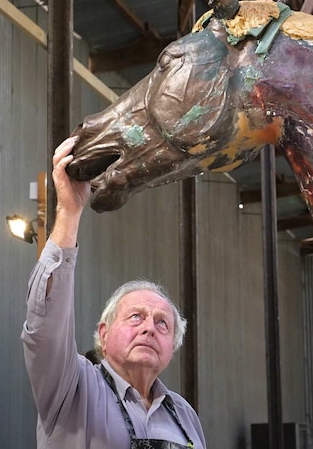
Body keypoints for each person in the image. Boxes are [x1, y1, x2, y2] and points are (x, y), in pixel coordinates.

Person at [21, 136, 206, 448]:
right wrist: (69, 210)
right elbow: (46, 325)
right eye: (136, 317)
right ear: (103, 335)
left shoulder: (184, 415)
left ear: (171, 347)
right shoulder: (72, 389)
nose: (149, 327)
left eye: (162, 323)